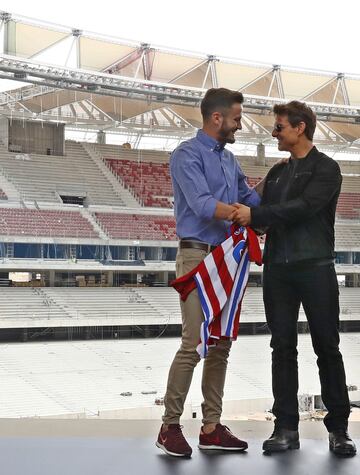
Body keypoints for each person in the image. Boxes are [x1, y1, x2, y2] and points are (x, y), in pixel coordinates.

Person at [230, 101, 356, 456]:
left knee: (327, 349)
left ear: (300, 128)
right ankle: (285, 428)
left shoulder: (328, 169)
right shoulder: (278, 173)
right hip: (279, 271)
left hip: (316, 267)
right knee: (281, 348)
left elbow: (303, 209)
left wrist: (256, 212)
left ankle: (339, 430)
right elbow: (265, 220)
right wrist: (242, 211)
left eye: (279, 126)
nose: (274, 132)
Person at [156, 88, 263, 457]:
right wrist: (240, 213)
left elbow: (251, 200)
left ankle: (211, 427)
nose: (239, 124)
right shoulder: (186, 154)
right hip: (198, 258)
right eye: (236, 118)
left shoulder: (230, 160)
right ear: (216, 118)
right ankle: (169, 426)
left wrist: (279, 183)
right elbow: (202, 206)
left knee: (220, 344)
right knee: (195, 343)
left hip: (227, 260)